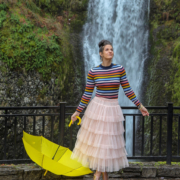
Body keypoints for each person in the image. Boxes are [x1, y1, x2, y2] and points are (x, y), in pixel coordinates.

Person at [70, 40, 149, 180]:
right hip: (98, 109)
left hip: (112, 109)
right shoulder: (93, 71)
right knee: (101, 144)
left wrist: (140, 106)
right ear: (101, 53)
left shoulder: (119, 69)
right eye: (107, 49)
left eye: (111, 49)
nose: (110, 51)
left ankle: (99, 175)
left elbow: (127, 90)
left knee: (106, 145)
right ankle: (98, 175)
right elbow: (87, 94)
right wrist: (77, 111)